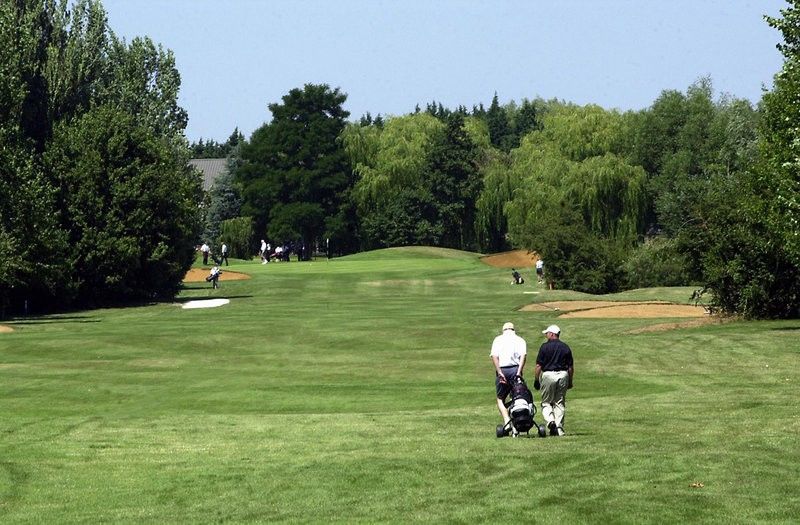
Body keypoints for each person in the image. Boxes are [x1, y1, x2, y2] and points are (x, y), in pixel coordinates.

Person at [533, 324, 574, 436]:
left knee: (546, 402)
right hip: (563, 375)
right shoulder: (565, 347)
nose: (546, 335)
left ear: (552, 334)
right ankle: (559, 428)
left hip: (548, 375)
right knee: (559, 402)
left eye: (547, 333)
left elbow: (538, 366)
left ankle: (551, 421)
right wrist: (570, 381)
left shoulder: (544, 347)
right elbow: (570, 367)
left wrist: (536, 380)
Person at [490, 322, 527, 435]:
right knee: (517, 395)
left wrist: (500, 372)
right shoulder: (520, 340)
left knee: (500, 398)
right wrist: (519, 372)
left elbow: (495, 356)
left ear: (503, 330)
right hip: (515, 369)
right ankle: (516, 422)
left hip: (503, 369)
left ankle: (507, 421)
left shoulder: (498, 339)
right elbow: (523, 356)